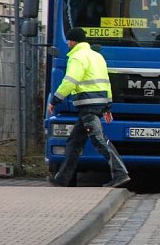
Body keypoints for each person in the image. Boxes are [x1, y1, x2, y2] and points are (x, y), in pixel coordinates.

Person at [47, 27, 130, 188]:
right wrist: (107, 106)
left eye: (69, 41)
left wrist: (55, 99)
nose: (69, 44)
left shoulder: (77, 57)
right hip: (98, 103)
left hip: (88, 104)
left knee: (99, 140)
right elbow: (106, 81)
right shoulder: (97, 56)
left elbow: (71, 81)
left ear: (72, 41)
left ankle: (120, 174)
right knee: (74, 142)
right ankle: (62, 179)